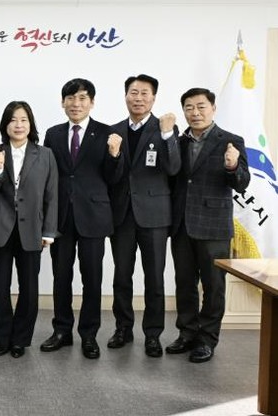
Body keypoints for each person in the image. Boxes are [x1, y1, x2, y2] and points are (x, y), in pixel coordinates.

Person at [39, 78, 123, 359]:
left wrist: (114, 155)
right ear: (63, 102)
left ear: (92, 102)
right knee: (61, 277)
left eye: (82, 98)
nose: (76, 104)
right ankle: (62, 331)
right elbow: (47, 176)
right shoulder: (53, 134)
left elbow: (114, 178)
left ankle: (89, 335)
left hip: (93, 216)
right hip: (61, 217)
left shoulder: (107, 133)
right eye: (71, 98)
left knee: (92, 278)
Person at [167, 87, 250, 363]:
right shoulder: (178, 141)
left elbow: (241, 183)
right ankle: (187, 333)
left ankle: (207, 339)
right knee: (184, 283)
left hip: (214, 226)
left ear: (213, 108)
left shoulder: (231, 141)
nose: (195, 112)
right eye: (189, 107)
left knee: (213, 286)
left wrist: (232, 166)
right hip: (182, 224)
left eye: (201, 106)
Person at [106, 74, 181, 357]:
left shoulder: (165, 128)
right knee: (121, 277)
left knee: (155, 279)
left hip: (155, 216)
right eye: (133, 92)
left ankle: (153, 334)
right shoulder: (114, 131)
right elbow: (110, 177)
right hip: (122, 215)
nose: (138, 98)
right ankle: (123, 328)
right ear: (125, 96)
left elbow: (173, 168)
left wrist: (167, 135)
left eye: (144, 93)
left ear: (154, 98)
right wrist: (114, 155)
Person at [0, 101, 58, 358]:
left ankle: (20, 340)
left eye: (24, 120)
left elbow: (52, 196)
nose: (18, 125)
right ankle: (2, 339)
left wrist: (49, 231)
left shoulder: (45, 154)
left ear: (30, 124)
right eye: (13, 120)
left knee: (29, 288)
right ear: (5, 124)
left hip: (33, 229)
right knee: (0, 287)